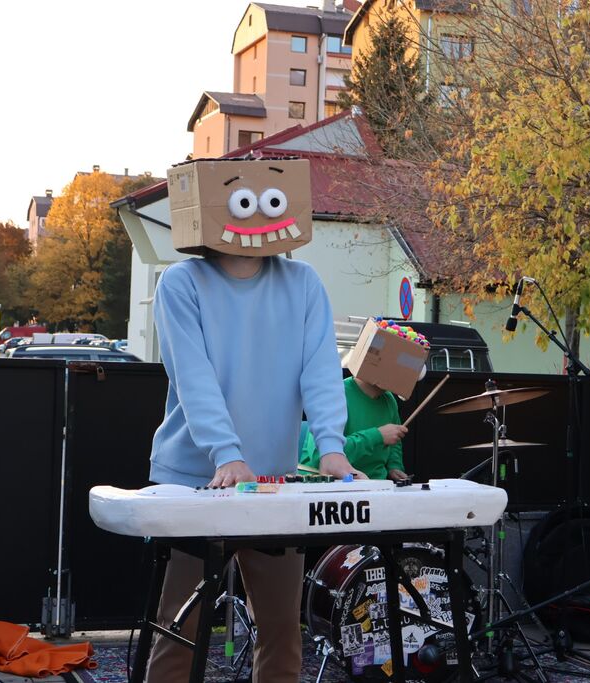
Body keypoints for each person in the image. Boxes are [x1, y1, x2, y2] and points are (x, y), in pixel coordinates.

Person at [146, 158, 364, 683]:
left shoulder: (303, 282)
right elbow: (193, 377)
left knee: (282, 629)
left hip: (273, 483)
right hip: (196, 479)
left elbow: (320, 370)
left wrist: (331, 447)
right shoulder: (181, 283)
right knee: (181, 629)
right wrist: (226, 454)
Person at [300, 375, 410, 482]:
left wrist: (394, 466)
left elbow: (394, 440)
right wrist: (377, 436)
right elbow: (320, 456)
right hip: (323, 485)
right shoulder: (334, 395)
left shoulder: (389, 400)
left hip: (374, 486)